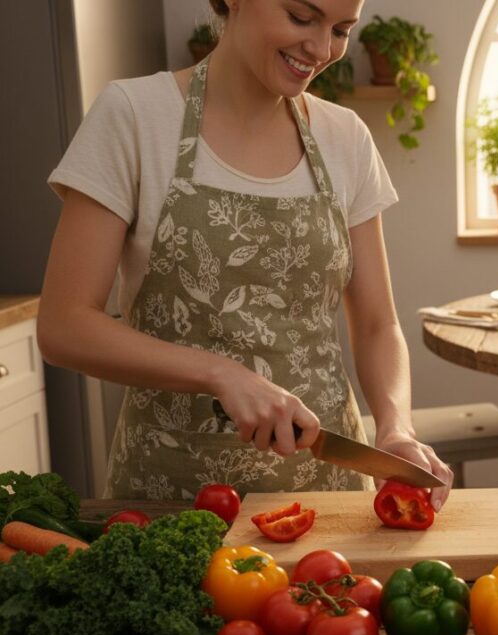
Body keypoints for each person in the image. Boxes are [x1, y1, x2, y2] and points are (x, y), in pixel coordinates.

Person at [38, 0, 452, 508]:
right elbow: (63, 326)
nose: (321, 49)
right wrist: (222, 373)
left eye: (341, 30)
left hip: (328, 500)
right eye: (302, 17)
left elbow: (376, 325)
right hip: (173, 499)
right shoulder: (134, 116)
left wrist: (394, 427)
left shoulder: (345, 138)